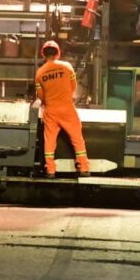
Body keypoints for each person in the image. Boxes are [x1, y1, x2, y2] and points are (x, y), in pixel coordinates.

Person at [33, 40, 90, 178]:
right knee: (77, 138)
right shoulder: (67, 67)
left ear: (43, 54)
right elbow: (73, 86)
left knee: (50, 141)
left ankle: (50, 171)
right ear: (58, 53)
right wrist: (66, 97)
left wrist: (49, 101)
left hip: (51, 110)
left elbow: (40, 96)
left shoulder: (40, 73)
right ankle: (83, 168)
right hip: (67, 109)